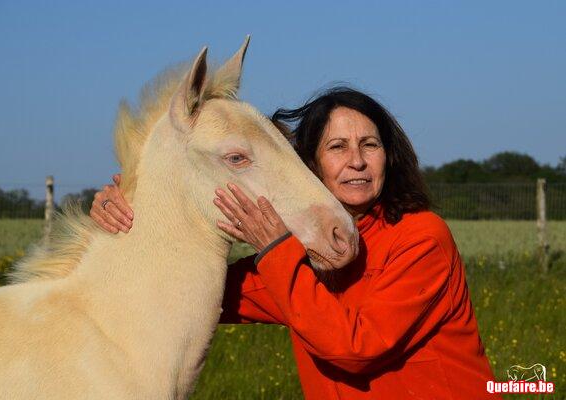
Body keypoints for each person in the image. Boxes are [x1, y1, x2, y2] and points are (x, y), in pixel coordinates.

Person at [90, 87, 500, 399]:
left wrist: (275, 250)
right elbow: (188, 292)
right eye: (337, 147)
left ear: (389, 157)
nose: (357, 161)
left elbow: (357, 347)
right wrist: (130, 213)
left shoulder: (422, 237)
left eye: (370, 145)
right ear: (310, 164)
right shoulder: (298, 254)